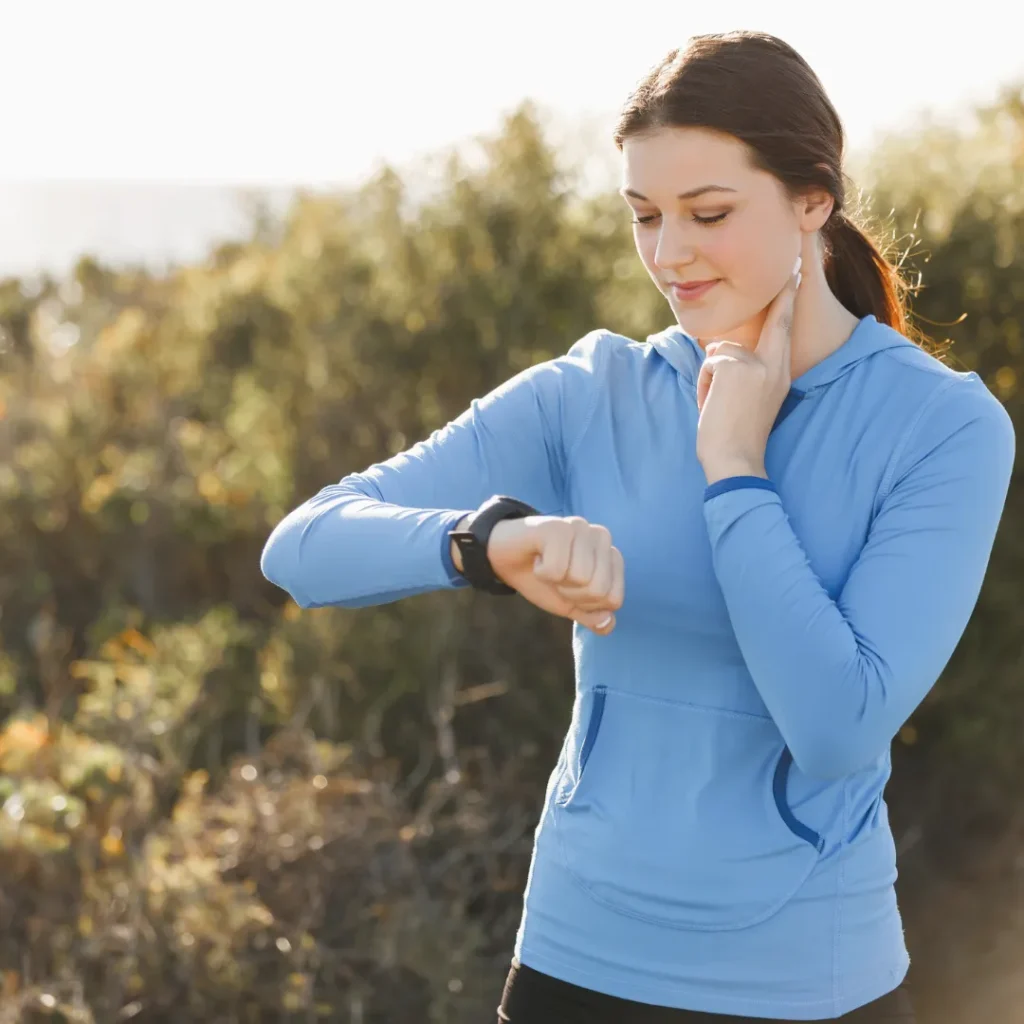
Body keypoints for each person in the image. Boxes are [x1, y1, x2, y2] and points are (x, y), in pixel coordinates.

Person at [259, 30, 1015, 1024]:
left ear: (811, 200)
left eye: (707, 213)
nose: (667, 254)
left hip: (808, 981)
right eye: (644, 216)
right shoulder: (596, 390)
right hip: (577, 962)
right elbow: (304, 546)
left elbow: (835, 728)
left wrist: (735, 469)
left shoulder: (940, 424)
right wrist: (483, 545)